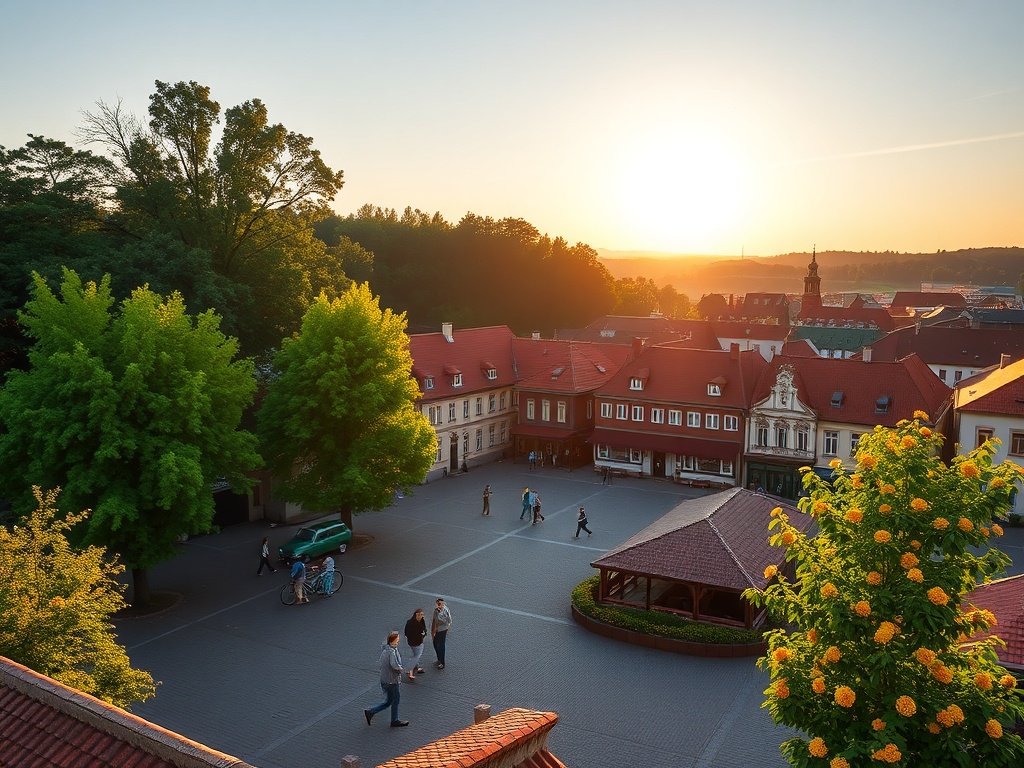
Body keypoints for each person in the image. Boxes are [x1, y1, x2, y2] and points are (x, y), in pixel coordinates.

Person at [364, 631, 408, 727]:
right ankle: (393, 720)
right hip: (392, 681)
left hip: (385, 680)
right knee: (395, 700)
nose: (398, 642)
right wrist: (402, 670)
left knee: (389, 701)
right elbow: (394, 665)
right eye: (397, 640)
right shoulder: (391, 652)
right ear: (392, 641)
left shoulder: (385, 650)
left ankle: (371, 712)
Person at [404, 608, 427, 681]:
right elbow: (407, 633)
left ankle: (416, 666)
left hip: (419, 641)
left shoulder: (422, 621)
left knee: (416, 655)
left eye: (422, 614)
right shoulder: (410, 623)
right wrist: (419, 636)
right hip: (414, 643)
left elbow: (424, 628)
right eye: (420, 614)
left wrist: (424, 633)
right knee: (417, 656)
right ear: (416, 615)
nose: (421, 616)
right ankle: (410, 669)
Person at [431, 597, 452, 669]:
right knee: (435, 643)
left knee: (441, 645)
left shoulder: (445, 610)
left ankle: (442, 662)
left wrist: (439, 615)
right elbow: (434, 620)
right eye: (437, 604)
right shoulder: (436, 610)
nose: (438, 606)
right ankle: (439, 658)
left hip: (443, 629)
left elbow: (448, 620)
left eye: (440, 604)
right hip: (437, 629)